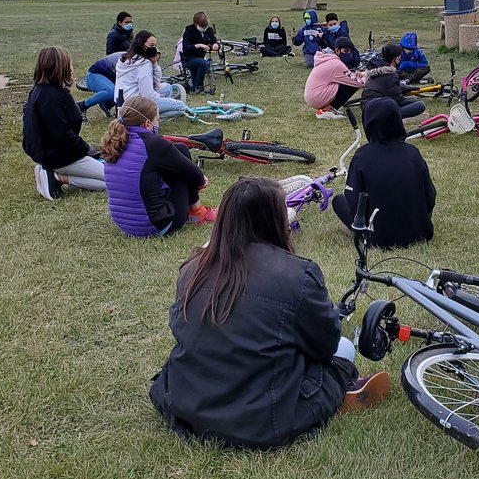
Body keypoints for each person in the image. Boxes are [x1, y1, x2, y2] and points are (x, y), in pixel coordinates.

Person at [149, 176, 390, 450]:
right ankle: (341, 391)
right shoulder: (298, 273)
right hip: (261, 419)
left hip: (185, 401)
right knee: (344, 348)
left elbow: (177, 324)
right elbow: (325, 345)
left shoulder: (194, 267)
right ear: (273, 219)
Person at [101, 95, 216, 236]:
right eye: (157, 120)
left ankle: (195, 211)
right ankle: (197, 212)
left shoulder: (115, 142)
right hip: (156, 224)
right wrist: (201, 180)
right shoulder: (154, 144)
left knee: (178, 150)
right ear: (147, 124)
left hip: (125, 224)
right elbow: (196, 177)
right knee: (182, 157)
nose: (157, 124)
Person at [331, 97, 436, 249]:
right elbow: (430, 196)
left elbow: (353, 200)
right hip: (420, 233)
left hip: (376, 237)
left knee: (338, 200)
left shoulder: (363, 155)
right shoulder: (413, 153)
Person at [22, 46, 107, 200]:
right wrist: (86, 149)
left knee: (105, 167)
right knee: (117, 182)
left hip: (56, 152)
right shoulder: (50, 97)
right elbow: (61, 136)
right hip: (59, 155)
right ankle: (57, 177)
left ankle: (58, 175)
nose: (72, 69)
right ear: (59, 68)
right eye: (69, 65)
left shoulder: (43, 90)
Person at [114, 31, 189, 122]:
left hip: (123, 102)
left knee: (168, 88)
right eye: (152, 45)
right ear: (142, 45)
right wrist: (161, 98)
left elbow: (156, 84)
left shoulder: (126, 60)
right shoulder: (143, 65)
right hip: (137, 105)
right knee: (181, 107)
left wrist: (154, 64)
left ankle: (150, 114)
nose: (154, 49)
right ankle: (148, 120)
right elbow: (148, 94)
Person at [303, 37, 367, 120]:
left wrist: (360, 74)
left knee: (349, 81)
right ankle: (327, 110)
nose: (349, 54)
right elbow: (358, 82)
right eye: (346, 51)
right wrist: (369, 75)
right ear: (337, 50)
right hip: (317, 97)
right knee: (352, 84)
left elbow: (350, 75)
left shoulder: (328, 58)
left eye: (350, 51)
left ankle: (328, 109)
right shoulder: (336, 64)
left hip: (312, 96)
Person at [360, 43, 425, 120]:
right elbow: (398, 101)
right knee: (420, 105)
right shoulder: (391, 75)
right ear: (395, 58)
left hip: (366, 110)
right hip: (378, 114)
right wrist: (412, 100)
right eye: (400, 56)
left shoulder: (375, 70)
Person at [181, 11, 220, 94]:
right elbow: (186, 47)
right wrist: (199, 45)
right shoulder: (189, 30)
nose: (203, 28)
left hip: (200, 57)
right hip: (189, 58)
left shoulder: (209, 30)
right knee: (204, 63)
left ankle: (193, 88)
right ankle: (199, 87)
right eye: (201, 26)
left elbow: (214, 41)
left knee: (201, 64)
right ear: (196, 23)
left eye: (205, 26)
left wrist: (216, 45)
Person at [76, 52, 120, 120]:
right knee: (112, 91)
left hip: (105, 77)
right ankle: (81, 106)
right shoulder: (131, 61)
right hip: (93, 76)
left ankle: (106, 104)